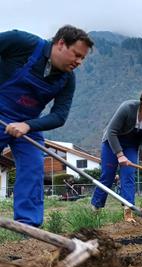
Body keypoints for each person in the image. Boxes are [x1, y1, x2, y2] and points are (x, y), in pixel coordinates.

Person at [0, 26, 93, 226]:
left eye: (82, 58)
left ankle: (28, 226)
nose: (79, 62)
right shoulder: (22, 42)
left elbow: (59, 116)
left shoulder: (67, 79)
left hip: (28, 124)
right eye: (76, 55)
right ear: (60, 43)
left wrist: (27, 125)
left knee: (33, 166)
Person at [91, 86, 142, 222]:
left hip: (131, 146)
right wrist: (119, 155)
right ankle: (95, 209)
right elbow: (111, 132)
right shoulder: (127, 108)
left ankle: (128, 211)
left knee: (128, 176)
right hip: (112, 143)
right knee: (108, 176)